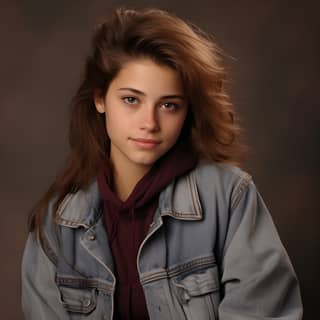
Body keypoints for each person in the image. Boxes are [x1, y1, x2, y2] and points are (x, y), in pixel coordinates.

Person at [21, 6, 303, 320]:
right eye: (131, 99)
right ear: (100, 99)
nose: (150, 123)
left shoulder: (229, 197)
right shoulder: (56, 222)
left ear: (187, 112)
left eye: (169, 105)